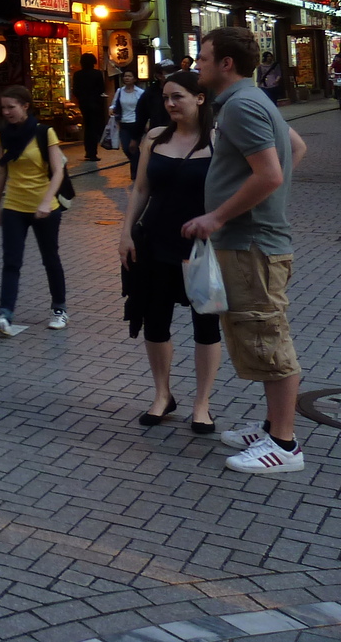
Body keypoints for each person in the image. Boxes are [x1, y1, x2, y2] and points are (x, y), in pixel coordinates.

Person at [184, 26, 309, 475]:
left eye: (202, 57)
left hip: (252, 245)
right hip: (252, 241)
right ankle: (273, 426)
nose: (196, 63)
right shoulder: (249, 101)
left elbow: (271, 174)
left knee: (268, 338)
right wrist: (258, 198)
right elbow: (296, 148)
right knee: (259, 337)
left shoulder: (241, 106)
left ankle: (285, 444)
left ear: (226, 64)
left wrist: (219, 216)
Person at [118, 70, 220, 432]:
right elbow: (141, 188)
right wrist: (126, 233)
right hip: (155, 242)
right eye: (165, 98)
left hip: (200, 248)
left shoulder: (218, 139)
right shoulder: (154, 138)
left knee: (205, 326)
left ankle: (202, 404)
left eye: (178, 96)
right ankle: (162, 395)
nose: (170, 104)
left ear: (200, 98)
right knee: (155, 322)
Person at [0, 86, 69, 335]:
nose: (6, 112)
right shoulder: (3, 135)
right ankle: (5, 316)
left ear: (25, 106)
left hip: (45, 207)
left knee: (50, 258)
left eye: (11, 107)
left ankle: (59, 309)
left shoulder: (44, 132)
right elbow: (2, 169)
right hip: (14, 206)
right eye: (3, 107)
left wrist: (46, 201)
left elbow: (58, 171)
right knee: (11, 261)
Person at [71, 53, 108, 162]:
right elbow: (102, 88)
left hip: (84, 104)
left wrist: (82, 98)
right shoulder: (97, 74)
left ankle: (88, 151)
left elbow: (75, 90)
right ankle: (93, 153)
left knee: (87, 127)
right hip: (96, 104)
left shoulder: (77, 74)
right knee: (94, 128)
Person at [110, 69, 146, 179]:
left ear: (134, 79)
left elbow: (144, 108)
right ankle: (140, 164)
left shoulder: (140, 92)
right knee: (126, 148)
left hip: (136, 123)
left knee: (133, 147)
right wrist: (111, 109)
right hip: (124, 123)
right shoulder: (120, 91)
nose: (127, 78)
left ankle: (135, 173)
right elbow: (113, 104)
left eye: (129, 76)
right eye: (125, 76)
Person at [134, 59, 179, 132]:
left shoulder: (182, 89)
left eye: (174, 71)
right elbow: (141, 115)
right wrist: (135, 137)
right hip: (158, 132)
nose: (173, 74)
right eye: (169, 72)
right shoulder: (150, 92)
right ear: (159, 76)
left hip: (179, 131)